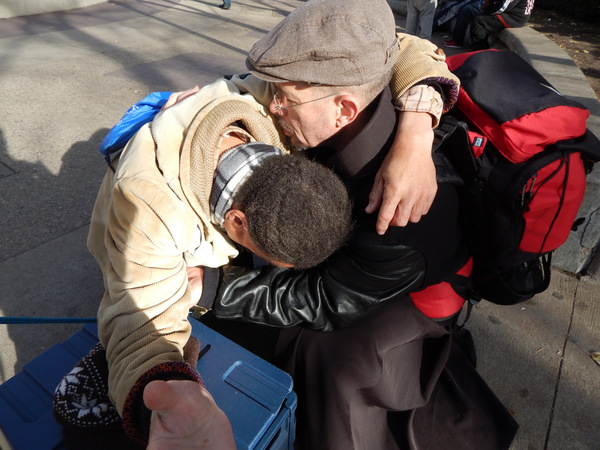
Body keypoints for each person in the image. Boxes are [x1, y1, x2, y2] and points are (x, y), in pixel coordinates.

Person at [134, 0, 519, 448]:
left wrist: (217, 288)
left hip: (407, 294)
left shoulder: (401, 210)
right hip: (358, 265)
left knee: (326, 356)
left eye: (285, 98)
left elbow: (325, 298)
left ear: (344, 110)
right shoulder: (342, 113)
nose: (272, 106)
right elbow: (401, 44)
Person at [53, 89, 352, 446]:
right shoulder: (147, 210)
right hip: (136, 240)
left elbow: (391, 51)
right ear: (236, 221)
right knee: (128, 293)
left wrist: (416, 112)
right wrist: (163, 395)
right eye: (267, 256)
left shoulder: (267, 106)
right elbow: (139, 322)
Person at [469, 0, 535, 50]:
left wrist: (486, 12)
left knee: (479, 21)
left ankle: (480, 52)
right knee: (481, 18)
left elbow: (503, 7)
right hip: (518, 16)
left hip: (513, 19)